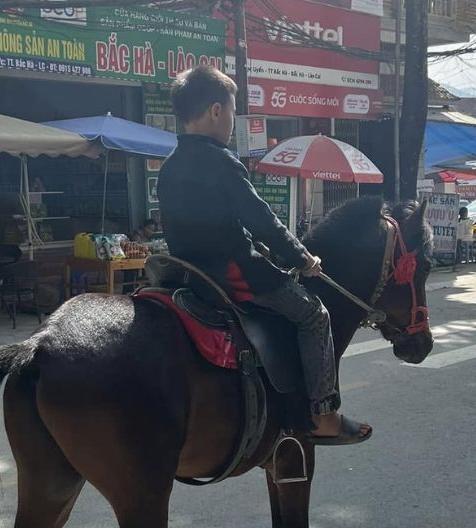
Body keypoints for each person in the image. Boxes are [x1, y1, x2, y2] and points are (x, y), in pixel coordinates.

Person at [157, 65, 370, 445]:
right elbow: (261, 219)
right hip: (232, 273)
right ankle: (324, 413)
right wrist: (303, 258)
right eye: (232, 110)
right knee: (314, 315)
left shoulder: (169, 165)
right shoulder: (221, 160)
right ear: (215, 111)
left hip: (186, 274)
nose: (231, 122)